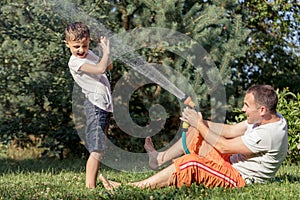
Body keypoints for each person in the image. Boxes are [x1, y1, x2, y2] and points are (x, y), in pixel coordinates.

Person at [100, 85, 288, 190]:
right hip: (230, 162)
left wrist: (198, 123)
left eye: (247, 105)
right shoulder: (266, 118)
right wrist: (199, 121)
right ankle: (159, 159)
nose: (243, 109)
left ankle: (133, 187)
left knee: (191, 164)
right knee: (198, 132)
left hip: (241, 178)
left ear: (262, 110)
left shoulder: (268, 134)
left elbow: (223, 146)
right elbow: (230, 131)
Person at [65, 22, 113, 189]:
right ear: (68, 44)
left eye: (84, 45)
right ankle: (90, 187)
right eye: (76, 46)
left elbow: (108, 66)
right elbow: (100, 69)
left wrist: (105, 52)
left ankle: (91, 185)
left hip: (103, 106)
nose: (80, 50)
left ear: (88, 43)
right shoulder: (74, 62)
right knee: (96, 149)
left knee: (99, 148)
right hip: (95, 106)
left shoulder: (89, 54)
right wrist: (105, 53)